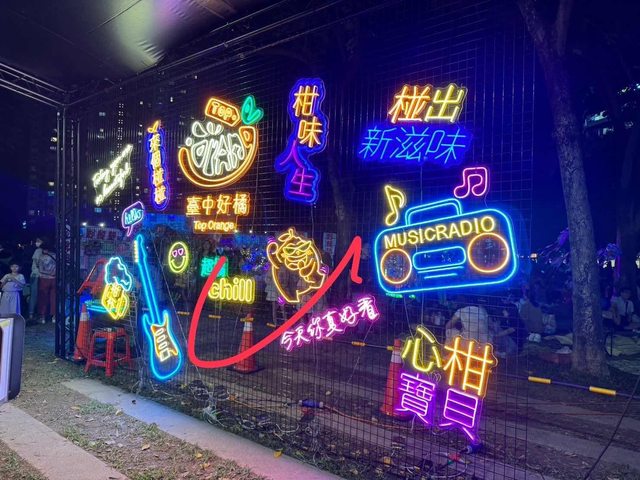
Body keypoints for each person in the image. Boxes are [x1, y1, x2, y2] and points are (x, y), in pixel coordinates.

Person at [37, 245, 56, 324]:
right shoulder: (55, 256)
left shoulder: (41, 257)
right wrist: (53, 273)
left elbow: (40, 269)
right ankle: (54, 316)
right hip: (54, 278)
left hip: (44, 279)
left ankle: (43, 317)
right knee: (54, 298)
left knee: (43, 298)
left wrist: (48, 273)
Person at [28, 237, 43, 320]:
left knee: (34, 295)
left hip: (36, 275)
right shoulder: (41, 251)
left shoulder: (38, 251)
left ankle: (31, 314)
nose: (36, 243)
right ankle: (37, 313)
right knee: (39, 295)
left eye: (38, 241)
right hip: (40, 275)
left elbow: (37, 263)